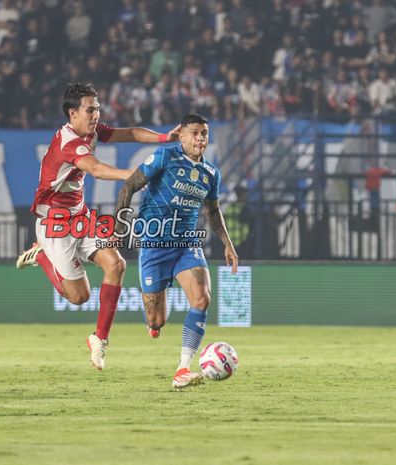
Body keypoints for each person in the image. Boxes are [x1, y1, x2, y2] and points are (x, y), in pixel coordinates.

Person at [15, 82, 180, 370]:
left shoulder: (90, 131)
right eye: (90, 110)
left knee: (116, 265)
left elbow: (130, 133)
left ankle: (99, 339)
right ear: (72, 113)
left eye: (97, 108)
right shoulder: (69, 143)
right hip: (54, 223)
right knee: (79, 297)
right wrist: (135, 175)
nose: (96, 115)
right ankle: (40, 255)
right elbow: (97, 169)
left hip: (79, 216)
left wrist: (166, 136)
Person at [115, 113, 238, 389]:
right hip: (154, 242)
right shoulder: (164, 157)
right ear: (180, 135)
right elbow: (130, 185)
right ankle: (154, 325)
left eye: (204, 133)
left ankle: (182, 368)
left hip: (186, 244)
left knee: (202, 298)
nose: (200, 138)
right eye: (194, 132)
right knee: (156, 319)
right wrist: (119, 226)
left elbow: (213, 211)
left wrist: (227, 243)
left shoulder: (210, 174)